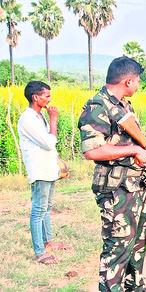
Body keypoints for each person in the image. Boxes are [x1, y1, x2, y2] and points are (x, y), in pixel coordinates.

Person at [78, 56, 146, 291]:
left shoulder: (123, 107)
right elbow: (93, 151)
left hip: (135, 187)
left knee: (136, 245)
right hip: (116, 191)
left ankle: (135, 287)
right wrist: (133, 150)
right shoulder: (97, 105)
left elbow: (139, 147)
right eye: (138, 80)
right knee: (117, 248)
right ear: (128, 81)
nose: (139, 84)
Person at [18, 81, 70, 265]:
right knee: (38, 210)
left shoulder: (40, 117)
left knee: (47, 208)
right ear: (36, 97)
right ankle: (40, 252)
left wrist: (59, 163)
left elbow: (50, 145)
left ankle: (48, 242)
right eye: (47, 95)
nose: (50, 99)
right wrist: (54, 119)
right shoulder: (28, 119)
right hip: (39, 170)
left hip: (48, 168)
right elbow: (49, 142)